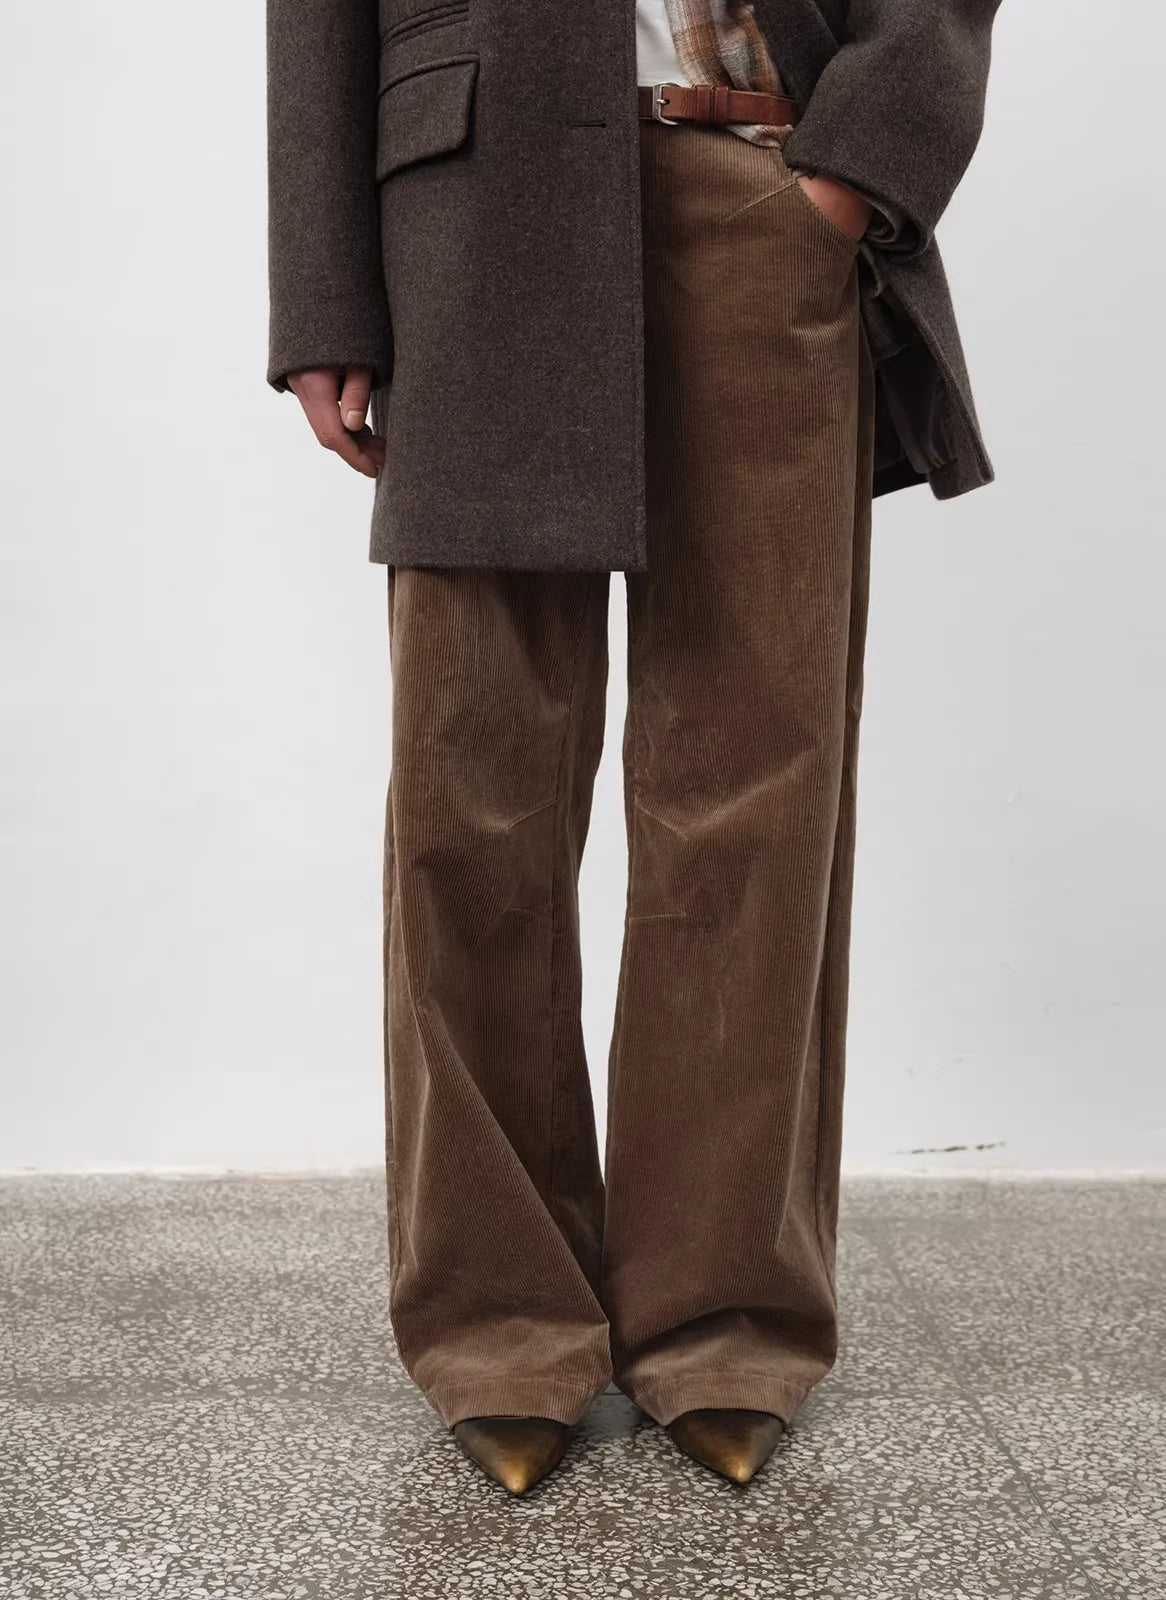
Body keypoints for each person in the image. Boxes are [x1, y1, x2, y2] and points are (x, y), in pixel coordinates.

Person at [266, 0, 1002, 1493]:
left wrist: (850, 176)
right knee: (470, 795)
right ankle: (498, 1324)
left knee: (755, 781)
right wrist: (324, 295)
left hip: (768, 179)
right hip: (474, 220)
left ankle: (723, 1321)